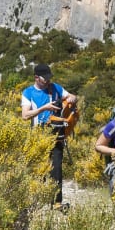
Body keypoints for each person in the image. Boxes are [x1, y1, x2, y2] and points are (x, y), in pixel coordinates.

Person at [21, 63, 78, 209]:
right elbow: (25, 115)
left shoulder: (56, 88)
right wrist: (44, 108)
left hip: (56, 133)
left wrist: (72, 98)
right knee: (39, 168)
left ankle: (56, 202)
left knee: (57, 168)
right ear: (36, 78)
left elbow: (71, 96)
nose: (47, 80)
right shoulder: (28, 93)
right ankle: (36, 201)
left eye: (48, 77)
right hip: (38, 134)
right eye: (44, 78)